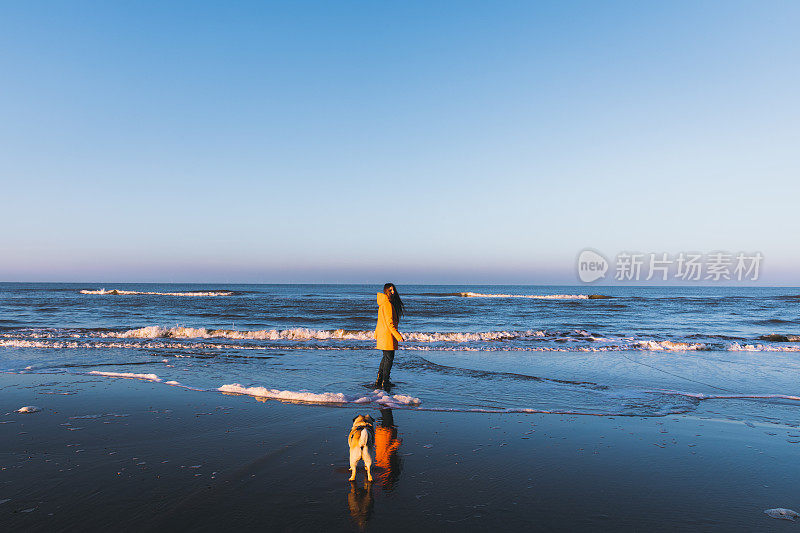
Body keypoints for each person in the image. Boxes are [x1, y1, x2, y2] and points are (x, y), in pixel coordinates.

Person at [373, 283, 404, 389]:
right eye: (390, 290)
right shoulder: (387, 304)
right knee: (389, 359)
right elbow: (389, 322)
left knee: (385, 358)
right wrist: (398, 336)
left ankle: (379, 380)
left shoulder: (384, 303)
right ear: (386, 291)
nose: (393, 292)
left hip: (383, 334)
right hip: (388, 334)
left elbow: (379, 320)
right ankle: (385, 382)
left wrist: (376, 333)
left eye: (393, 290)